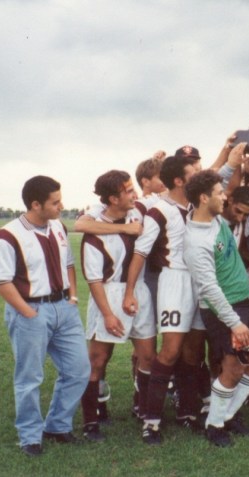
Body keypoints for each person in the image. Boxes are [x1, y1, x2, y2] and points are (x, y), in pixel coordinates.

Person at [0, 175, 90, 457]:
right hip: (31, 311)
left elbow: (68, 263)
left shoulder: (58, 226)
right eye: (55, 202)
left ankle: (57, 426)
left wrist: (72, 297)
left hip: (64, 309)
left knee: (79, 369)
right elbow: (1, 281)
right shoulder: (7, 235)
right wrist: (28, 313)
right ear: (35, 204)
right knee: (30, 377)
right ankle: (30, 436)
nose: (61, 206)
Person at [122, 154, 206, 444]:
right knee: (170, 351)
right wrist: (130, 291)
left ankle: (188, 411)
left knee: (192, 352)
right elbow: (140, 252)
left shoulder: (199, 205)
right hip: (174, 281)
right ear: (179, 180)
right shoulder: (159, 210)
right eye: (194, 171)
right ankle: (151, 419)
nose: (199, 172)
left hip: (200, 281)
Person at [183, 168, 249, 447]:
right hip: (225, 312)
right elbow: (208, 289)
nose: (225, 196)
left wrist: (238, 163)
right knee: (232, 367)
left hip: (245, 303)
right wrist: (235, 323)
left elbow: (224, 181)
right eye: (220, 193)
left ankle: (227, 416)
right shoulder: (197, 242)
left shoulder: (216, 218)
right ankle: (215, 425)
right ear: (204, 197)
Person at [79, 170, 157, 442]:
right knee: (98, 359)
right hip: (109, 295)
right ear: (113, 198)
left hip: (139, 292)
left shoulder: (137, 214)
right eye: (128, 190)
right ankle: (92, 419)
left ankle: (146, 410)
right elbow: (94, 280)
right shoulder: (94, 232)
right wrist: (108, 314)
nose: (134, 193)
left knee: (148, 356)